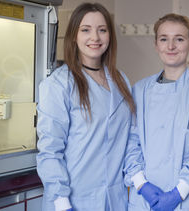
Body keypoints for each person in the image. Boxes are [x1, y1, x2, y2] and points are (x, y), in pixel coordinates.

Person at [36, 3, 134, 211]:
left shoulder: (121, 80)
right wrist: (62, 203)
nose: (95, 38)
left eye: (102, 30)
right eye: (86, 30)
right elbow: (50, 151)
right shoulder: (59, 84)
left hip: (114, 199)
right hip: (74, 200)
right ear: (74, 36)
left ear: (110, 35)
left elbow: (129, 140)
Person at [123, 13, 189, 211]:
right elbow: (129, 141)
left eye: (179, 39)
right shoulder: (139, 90)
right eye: (164, 39)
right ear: (156, 45)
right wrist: (141, 184)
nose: (171, 46)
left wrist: (178, 193)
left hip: (185, 200)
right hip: (143, 200)